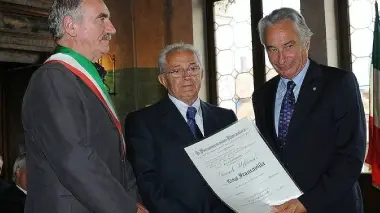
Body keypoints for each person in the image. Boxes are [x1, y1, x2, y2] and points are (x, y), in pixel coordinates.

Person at [22, 0, 147, 212]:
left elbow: (117, 155)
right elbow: (75, 161)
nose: (112, 28)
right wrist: (127, 208)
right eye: (102, 19)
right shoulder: (53, 79)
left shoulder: (77, 79)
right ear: (71, 26)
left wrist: (133, 201)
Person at [252, 7, 366, 213]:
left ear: (306, 42)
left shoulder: (339, 84)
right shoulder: (262, 96)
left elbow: (351, 158)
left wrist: (306, 203)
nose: (280, 58)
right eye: (272, 49)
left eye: (288, 46)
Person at [125, 43, 237, 213]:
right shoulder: (142, 122)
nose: (187, 76)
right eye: (176, 71)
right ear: (163, 80)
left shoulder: (225, 117)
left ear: (202, 74)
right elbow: (147, 181)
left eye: (193, 68)